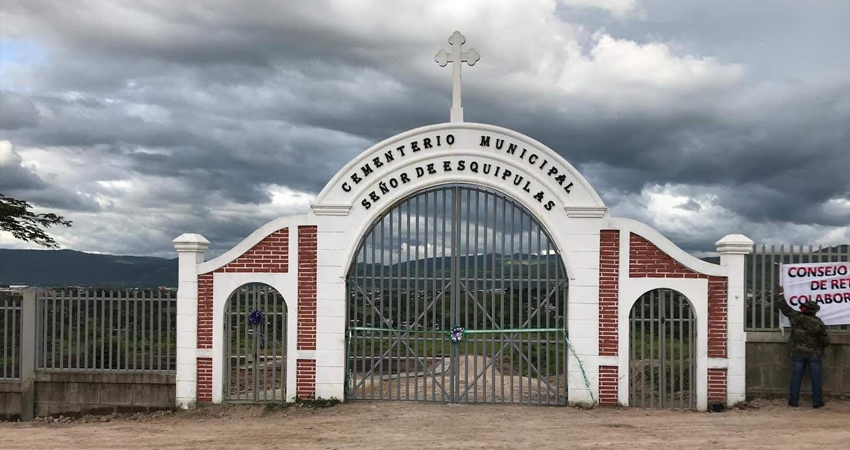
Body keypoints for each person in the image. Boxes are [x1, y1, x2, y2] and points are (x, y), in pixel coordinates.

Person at [775, 287, 830, 408]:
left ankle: (793, 401)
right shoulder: (818, 323)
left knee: (796, 378)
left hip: (798, 353)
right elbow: (826, 341)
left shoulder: (795, 317)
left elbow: (784, 307)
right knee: (816, 379)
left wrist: (780, 293)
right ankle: (817, 402)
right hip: (814, 355)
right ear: (814, 311)